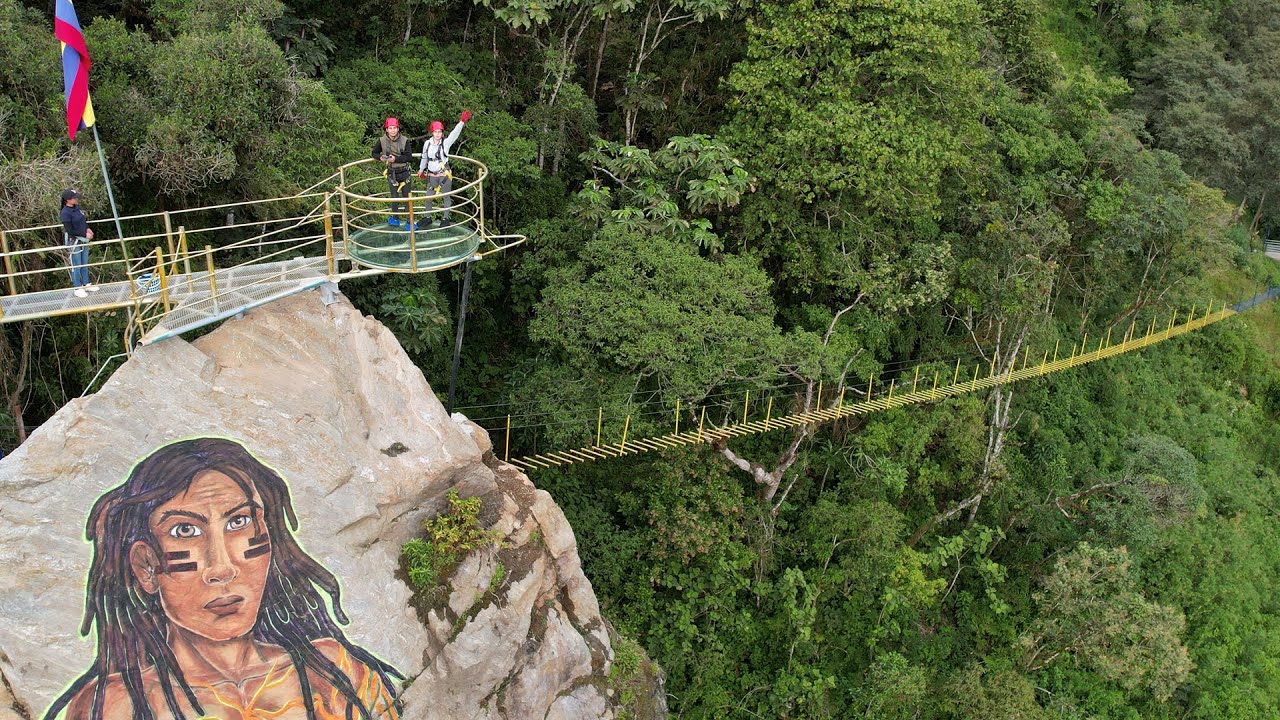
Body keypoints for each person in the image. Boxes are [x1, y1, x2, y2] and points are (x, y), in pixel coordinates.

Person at [43, 437, 403, 720]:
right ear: (145, 565)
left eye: (238, 521)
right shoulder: (115, 706)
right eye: (185, 530)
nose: (222, 568)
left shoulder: (334, 673)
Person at [416, 111, 471, 229]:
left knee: (446, 196)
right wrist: (421, 170)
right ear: (432, 132)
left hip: (444, 175)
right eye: (435, 131)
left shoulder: (445, 143)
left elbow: (454, 134)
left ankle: (445, 218)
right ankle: (427, 217)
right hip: (432, 175)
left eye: (439, 131)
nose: (437, 134)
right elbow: (424, 157)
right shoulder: (427, 144)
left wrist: (461, 122)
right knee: (428, 196)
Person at [370, 117, 413, 227]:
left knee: (407, 197)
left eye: (395, 128)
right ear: (387, 129)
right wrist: (381, 157)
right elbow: (374, 153)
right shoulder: (382, 140)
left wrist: (396, 159)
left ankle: (409, 221)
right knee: (394, 197)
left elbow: (409, 157)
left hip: (404, 171)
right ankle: (395, 218)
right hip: (392, 172)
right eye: (390, 128)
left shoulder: (404, 140)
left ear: (398, 129)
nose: (393, 130)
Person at [59, 189, 99, 298]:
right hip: (74, 241)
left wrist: (88, 229)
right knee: (76, 265)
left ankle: (86, 284)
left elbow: (82, 221)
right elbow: (69, 230)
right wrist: (84, 234)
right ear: (68, 200)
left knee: (84, 262)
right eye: (74, 197)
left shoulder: (77, 208)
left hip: (83, 240)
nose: (76, 199)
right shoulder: (65, 213)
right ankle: (77, 287)